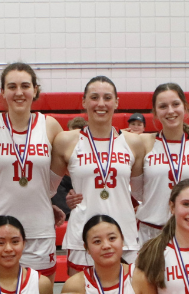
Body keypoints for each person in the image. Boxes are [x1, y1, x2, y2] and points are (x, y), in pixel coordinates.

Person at [0, 63, 65, 281]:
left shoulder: (50, 125)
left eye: (25, 86)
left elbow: (51, 177)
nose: (19, 92)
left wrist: (49, 200)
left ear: (35, 90)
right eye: (12, 86)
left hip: (38, 228)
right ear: (3, 91)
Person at [52, 76, 146, 274]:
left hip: (124, 235)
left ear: (117, 102)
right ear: (84, 101)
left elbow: (140, 193)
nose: (101, 104)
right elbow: (48, 187)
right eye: (94, 97)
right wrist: (63, 201)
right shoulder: (67, 140)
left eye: (107, 98)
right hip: (81, 235)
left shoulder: (133, 143)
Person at [133, 83, 189, 245]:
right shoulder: (144, 142)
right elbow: (136, 188)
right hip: (149, 230)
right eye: (163, 106)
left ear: (185, 107)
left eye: (175, 104)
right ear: (155, 113)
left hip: (186, 231)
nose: (170, 111)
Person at [50, 117, 87, 220]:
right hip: (68, 178)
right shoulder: (64, 143)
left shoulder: (94, 144)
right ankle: (67, 213)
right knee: (57, 181)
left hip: (85, 180)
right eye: (73, 131)